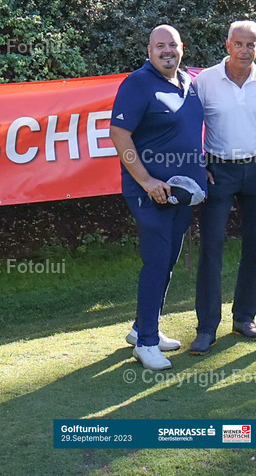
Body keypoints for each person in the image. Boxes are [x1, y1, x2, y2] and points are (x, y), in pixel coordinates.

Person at [110, 25, 207, 371]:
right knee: (156, 260)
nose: (167, 51)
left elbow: (188, 134)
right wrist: (146, 179)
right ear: (149, 51)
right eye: (160, 46)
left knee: (167, 260)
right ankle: (147, 343)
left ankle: (141, 328)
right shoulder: (138, 83)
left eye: (173, 45)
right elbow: (119, 133)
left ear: (182, 48)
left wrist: (201, 169)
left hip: (182, 194)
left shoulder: (188, 83)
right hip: (149, 192)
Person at [189, 20, 256, 355]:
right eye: (239, 44)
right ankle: (206, 327)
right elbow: (189, 124)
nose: (245, 50)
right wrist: (197, 162)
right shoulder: (205, 80)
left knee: (254, 247)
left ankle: (244, 318)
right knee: (211, 249)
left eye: (251, 45)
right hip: (218, 170)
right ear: (227, 45)